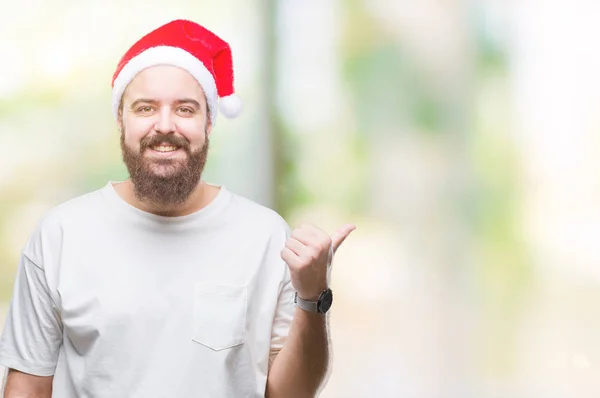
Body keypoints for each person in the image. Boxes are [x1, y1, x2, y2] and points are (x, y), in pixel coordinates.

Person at [0, 19, 355, 398]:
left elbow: (292, 394)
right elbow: (27, 388)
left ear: (209, 122)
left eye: (185, 110)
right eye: (145, 108)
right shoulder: (61, 235)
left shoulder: (266, 236)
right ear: (121, 119)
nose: (164, 126)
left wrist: (313, 295)